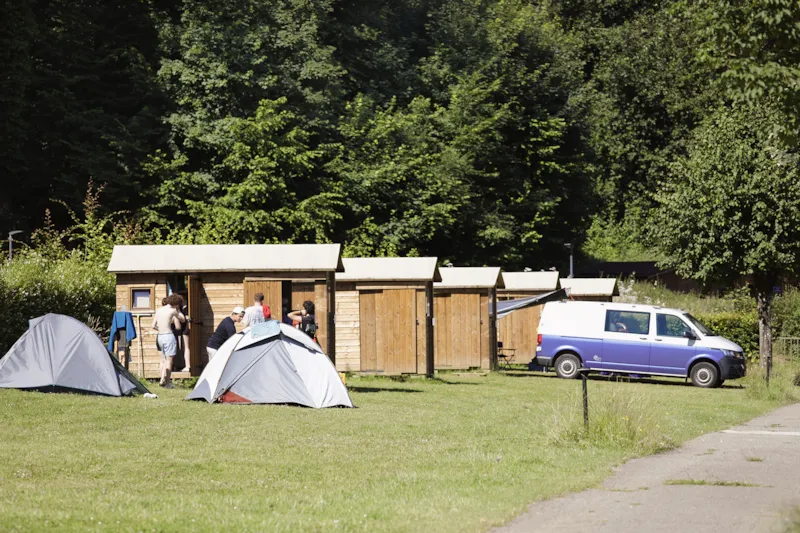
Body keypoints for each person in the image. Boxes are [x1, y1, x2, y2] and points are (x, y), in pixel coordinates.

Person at [151, 294, 186, 388]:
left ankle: (162, 378)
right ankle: (167, 382)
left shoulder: (159, 310)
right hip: (168, 336)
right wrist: (178, 310)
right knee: (169, 361)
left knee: (162, 360)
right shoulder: (173, 310)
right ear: (176, 303)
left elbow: (153, 326)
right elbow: (183, 319)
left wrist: (161, 329)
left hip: (160, 337)